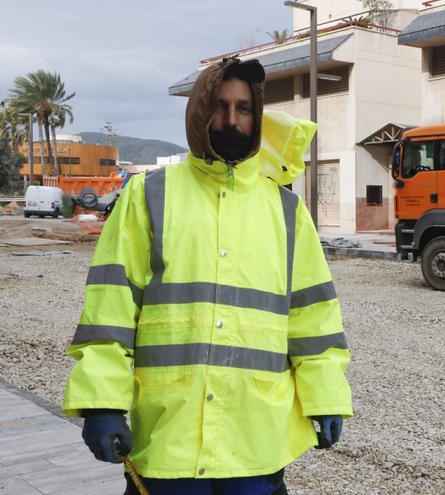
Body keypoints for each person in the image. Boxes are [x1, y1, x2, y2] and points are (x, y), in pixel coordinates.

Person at [62, 57, 353, 495]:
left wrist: (325, 394)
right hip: (168, 437)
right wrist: (102, 405)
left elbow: (313, 318)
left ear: (256, 116)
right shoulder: (149, 195)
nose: (231, 120)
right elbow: (110, 308)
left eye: (243, 108)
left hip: (254, 437)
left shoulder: (286, 211)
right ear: (199, 111)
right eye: (219, 106)